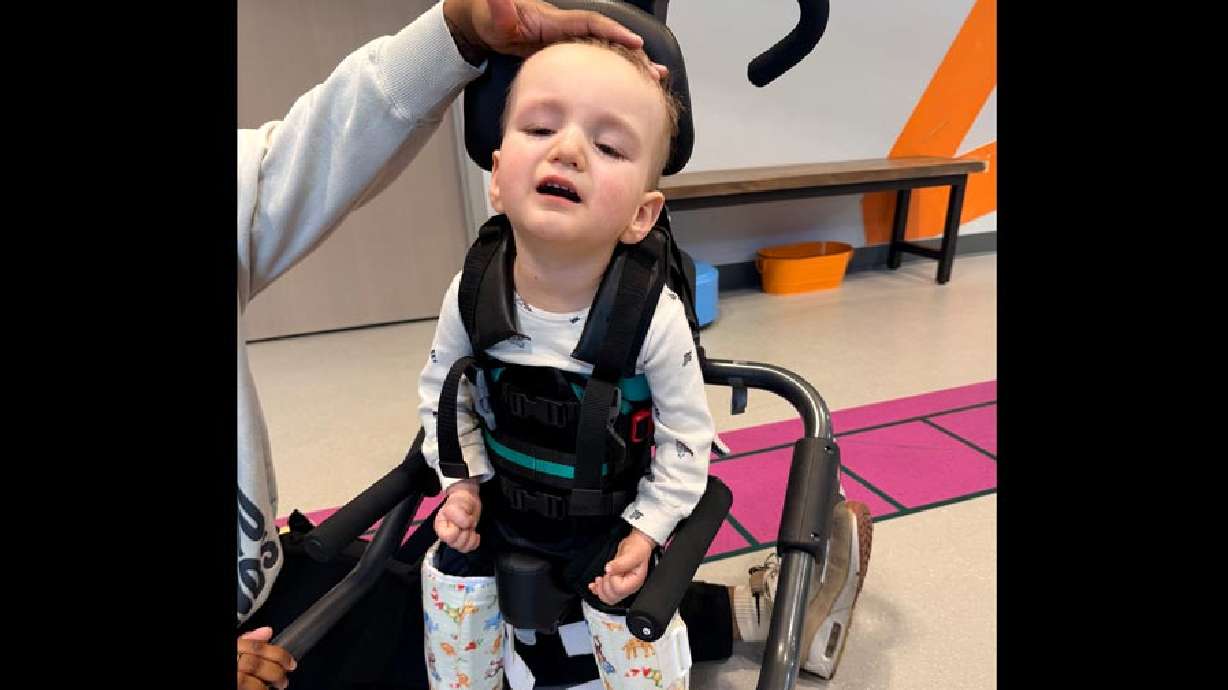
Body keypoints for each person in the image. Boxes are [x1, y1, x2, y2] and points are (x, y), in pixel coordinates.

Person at [236, 2, 667, 688]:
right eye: (540, 128)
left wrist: (458, 29)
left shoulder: (651, 316)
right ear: (496, 175)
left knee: (590, 608)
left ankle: (735, 611)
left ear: (643, 213)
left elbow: (298, 159)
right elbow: (444, 396)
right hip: (500, 514)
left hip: (588, 524)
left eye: (609, 147)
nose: (567, 150)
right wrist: (460, 482)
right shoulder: (474, 293)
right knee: (461, 612)